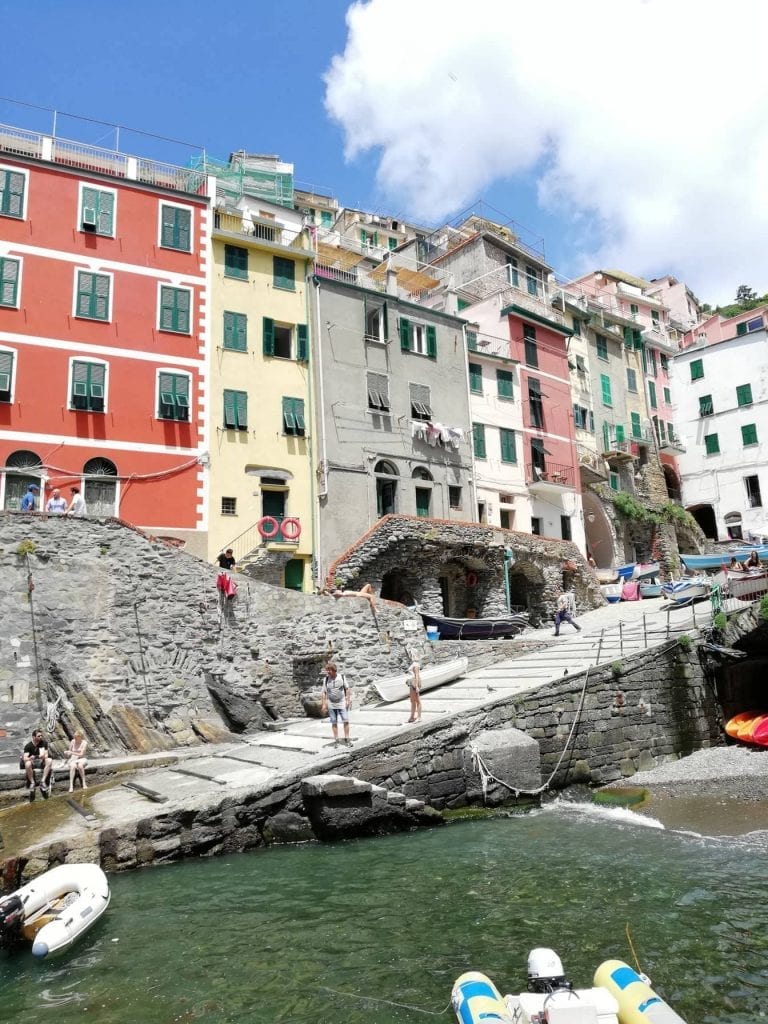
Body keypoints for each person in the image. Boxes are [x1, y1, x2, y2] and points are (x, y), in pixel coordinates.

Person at [320, 662, 352, 746]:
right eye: (327, 670)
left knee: (345, 720)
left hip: (341, 702)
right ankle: (336, 740)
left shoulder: (341, 677)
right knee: (334, 722)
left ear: (334, 670)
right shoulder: (326, 679)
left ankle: (347, 739)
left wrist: (348, 700)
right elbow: (324, 693)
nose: (328, 672)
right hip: (331, 703)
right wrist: (323, 704)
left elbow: (347, 689)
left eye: (329, 670)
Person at [21, 728, 53, 799]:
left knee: (49, 760)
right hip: (32, 762)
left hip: (41, 761)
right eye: (38, 736)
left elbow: (46, 755)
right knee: (27, 764)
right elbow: (25, 758)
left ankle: (42, 781)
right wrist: (30, 758)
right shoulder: (28, 746)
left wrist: (37, 756)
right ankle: (32, 783)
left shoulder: (44, 743)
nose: (40, 737)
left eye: (41, 736)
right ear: (33, 737)